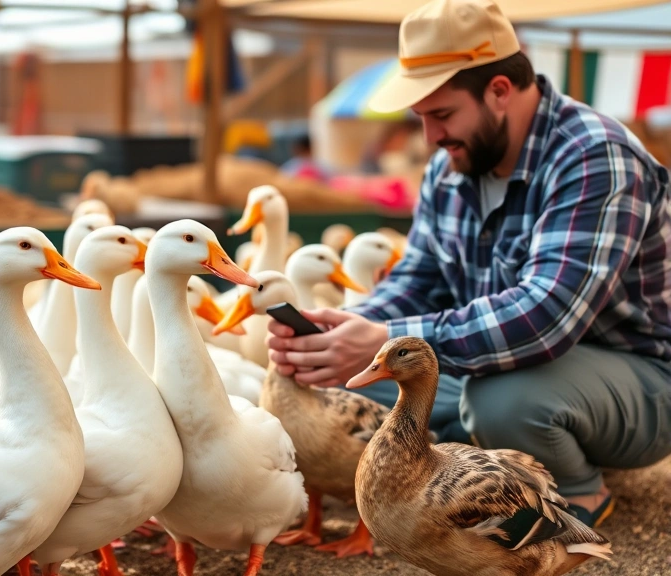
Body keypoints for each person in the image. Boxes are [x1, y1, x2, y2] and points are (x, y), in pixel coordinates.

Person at [266, 0, 671, 529]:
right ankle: (484, 462)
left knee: (503, 399)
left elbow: (544, 316)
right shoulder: (449, 168)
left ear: (500, 90)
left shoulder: (596, 156)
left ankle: (574, 496)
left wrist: (386, 338)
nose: (430, 137)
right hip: (508, 362)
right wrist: (347, 334)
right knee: (351, 381)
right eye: (422, 118)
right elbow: (417, 280)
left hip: (633, 382)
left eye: (442, 115)